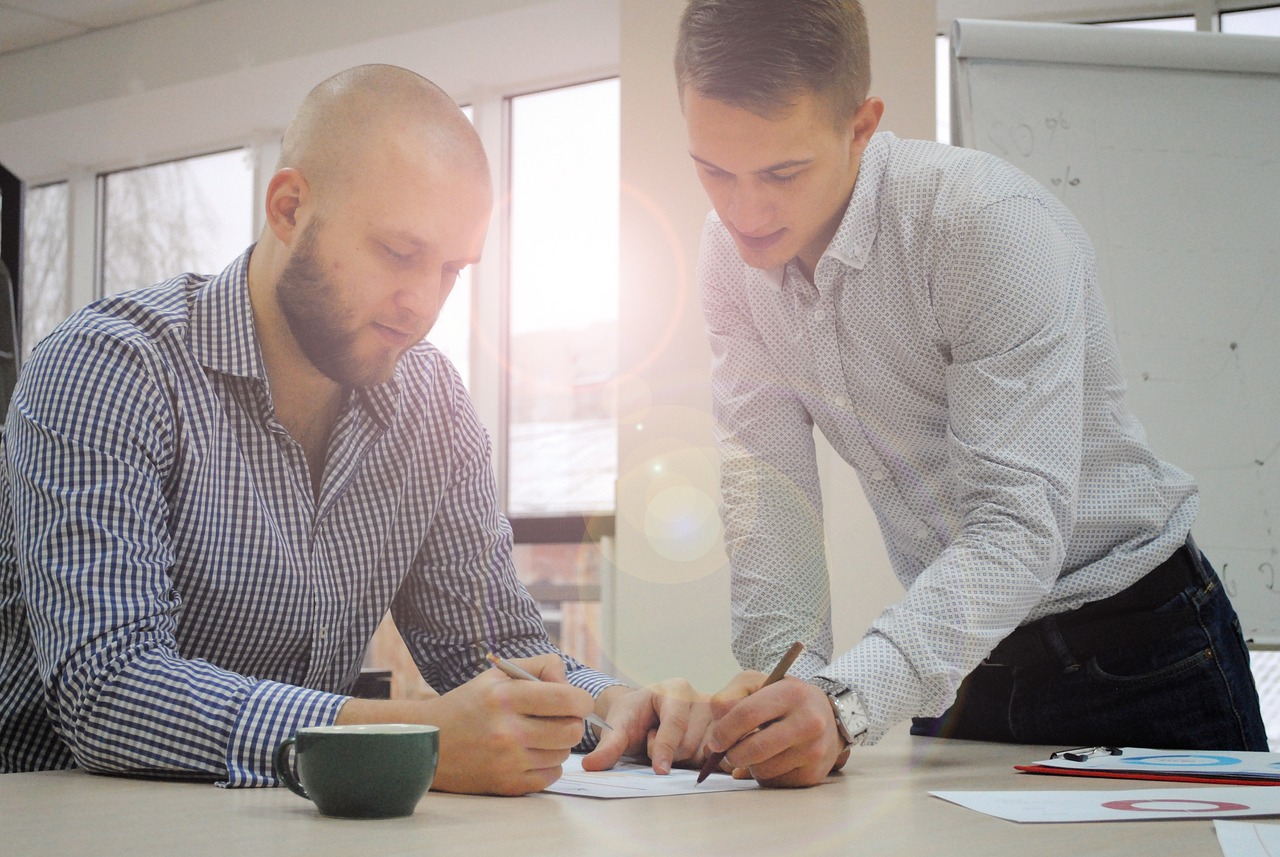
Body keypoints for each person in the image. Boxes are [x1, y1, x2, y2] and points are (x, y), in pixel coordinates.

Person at [0, 64, 708, 795]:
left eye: (451, 271)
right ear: (288, 208)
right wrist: (414, 738)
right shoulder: (110, 369)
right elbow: (107, 692)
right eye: (399, 253)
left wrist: (612, 707)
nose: (421, 303)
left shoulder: (430, 401)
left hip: (295, 827)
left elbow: (491, 650)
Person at [676, 0, 1266, 788]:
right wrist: (788, 680)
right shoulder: (728, 262)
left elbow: (1018, 526)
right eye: (713, 170)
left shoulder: (982, 225)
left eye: (782, 172)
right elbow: (770, 493)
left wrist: (846, 700)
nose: (743, 213)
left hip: (1141, 649)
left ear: (861, 125)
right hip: (958, 659)